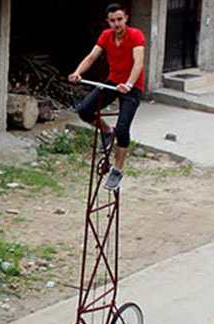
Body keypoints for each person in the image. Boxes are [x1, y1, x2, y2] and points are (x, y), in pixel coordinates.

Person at [68, 3, 145, 191]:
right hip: (113, 82)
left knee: (124, 128)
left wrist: (128, 84)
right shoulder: (106, 36)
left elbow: (139, 63)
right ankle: (106, 131)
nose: (116, 24)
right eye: (112, 20)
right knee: (85, 110)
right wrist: (78, 72)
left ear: (126, 18)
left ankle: (117, 170)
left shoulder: (135, 35)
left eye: (119, 19)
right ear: (108, 22)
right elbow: (91, 57)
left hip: (132, 86)